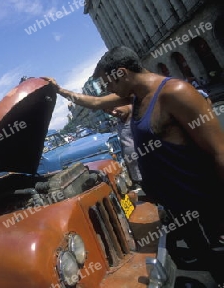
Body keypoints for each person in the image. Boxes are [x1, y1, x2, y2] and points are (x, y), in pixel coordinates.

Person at [43, 46, 224, 282]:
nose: (106, 88)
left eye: (107, 82)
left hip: (205, 206)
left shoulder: (176, 93)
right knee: (211, 268)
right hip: (177, 207)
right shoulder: (136, 98)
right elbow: (96, 103)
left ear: (121, 73)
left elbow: (219, 152)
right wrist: (60, 91)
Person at [105, 104, 143, 192]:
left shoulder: (139, 117)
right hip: (135, 173)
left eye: (113, 108)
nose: (113, 113)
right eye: (109, 112)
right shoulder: (119, 122)